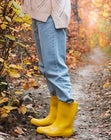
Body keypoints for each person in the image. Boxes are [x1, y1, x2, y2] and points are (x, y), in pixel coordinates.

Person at [21, 0, 78, 137]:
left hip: (52, 12)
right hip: (38, 10)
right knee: (45, 67)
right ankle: (55, 115)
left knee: (55, 68)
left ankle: (65, 124)